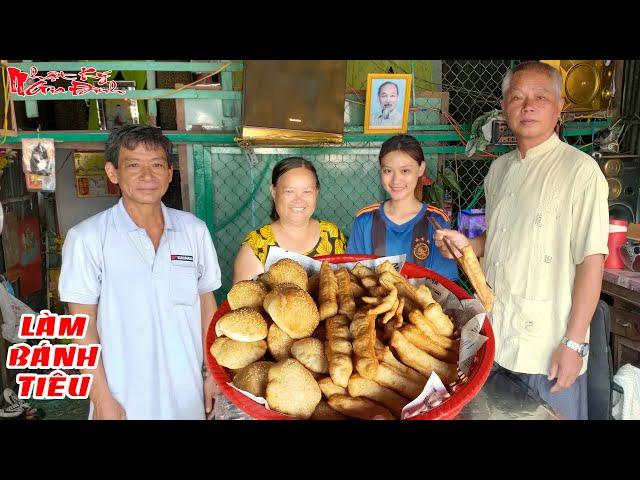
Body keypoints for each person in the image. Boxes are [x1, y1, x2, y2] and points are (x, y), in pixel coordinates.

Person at [434, 61, 609, 420]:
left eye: (540, 97)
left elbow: (592, 261)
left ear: (559, 107)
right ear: (504, 106)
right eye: (517, 97)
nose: (528, 106)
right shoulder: (499, 171)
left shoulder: (580, 171)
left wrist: (573, 344)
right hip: (497, 338)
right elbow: (498, 237)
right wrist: (464, 246)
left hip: (547, 351)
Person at [58, 125, 222, 420]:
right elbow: (82, 325)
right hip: (122, 401)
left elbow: (206, 306)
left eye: (157, 165)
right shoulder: (88, 238)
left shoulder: (194, 231)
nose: (147, 176)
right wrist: (102, 398)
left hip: (188, 397)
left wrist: (214, 374)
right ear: (112, 172)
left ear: (170, 173)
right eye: (133, 165)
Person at [347, 134, 457, 280]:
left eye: (405, 171)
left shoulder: (436, 221)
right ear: (380, 169)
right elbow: (353, 277)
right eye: (388, 171)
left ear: (420, 169)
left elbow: (443, 283)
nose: (396, 180)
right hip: (372, 303)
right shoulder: (365, 219)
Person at [233, 157, 347, 283]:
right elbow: (244, 301)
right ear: (274, 192)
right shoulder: (257, 245)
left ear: (316, 193)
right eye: (289, 191)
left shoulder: (332, 235)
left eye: (307, 191)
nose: (298, 199)